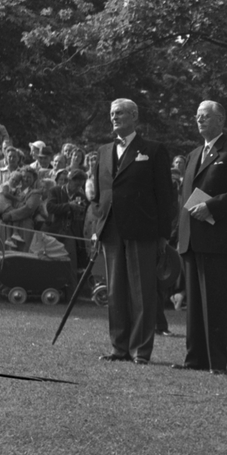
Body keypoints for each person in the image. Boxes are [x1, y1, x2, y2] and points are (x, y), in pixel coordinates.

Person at [92, 99, 175, 365]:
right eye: (111, 113)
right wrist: (98, 228)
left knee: (142, 293)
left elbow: (165, 195)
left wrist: (163, 234)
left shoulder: (153, 150)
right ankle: (119, 348)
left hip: (143, 230)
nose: (114, 117)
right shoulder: (103, 151)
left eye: (120, 113)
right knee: (115, 293)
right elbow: (99, 194)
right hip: (111, 231)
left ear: (134, 116)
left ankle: (140, 351)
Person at [175, 100, 227, 374]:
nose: (199, 120)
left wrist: (212, 206)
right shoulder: (194, 154)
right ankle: (194, 360)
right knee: (194, 305)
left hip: (217, 238)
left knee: (216, 304)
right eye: (197, 116)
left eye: (205, 116)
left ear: (220, 120)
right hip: (192, 239)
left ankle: (216, 362)